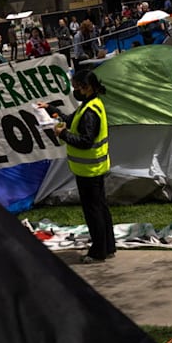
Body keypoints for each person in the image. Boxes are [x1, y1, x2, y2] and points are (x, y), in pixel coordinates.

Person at [51, 70, 115, 264]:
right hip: (95, 167)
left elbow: (86, 141)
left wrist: (63, 135)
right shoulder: (91, 104)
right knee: (100, 207)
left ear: (86, 87)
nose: (75, 91)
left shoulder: (89, 112)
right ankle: (108, 246)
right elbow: (71, 120)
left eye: (76, 87)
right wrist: (51, 109)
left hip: (89, 170)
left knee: (93, 211)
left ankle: (97, 252)